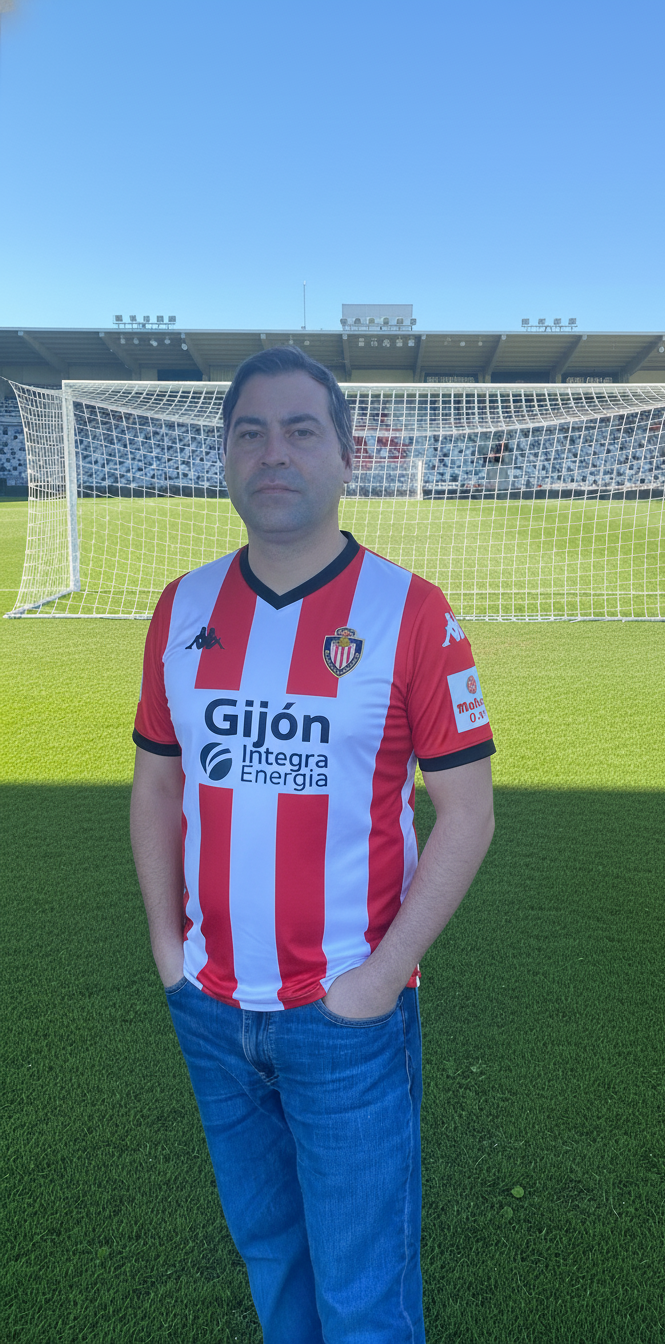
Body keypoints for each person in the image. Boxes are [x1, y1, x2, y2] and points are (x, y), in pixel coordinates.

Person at [130, 346, 496, 1344]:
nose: (273, 452)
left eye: (300, 430)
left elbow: (468, 812)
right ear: (225, 456)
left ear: (346, 456)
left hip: (346, 1015)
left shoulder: (412, 611)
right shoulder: (182, 607)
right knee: (274, 1261)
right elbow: (157, 780)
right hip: (211, 1008)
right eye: (249, 432)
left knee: (364, 1295)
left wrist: (377, 980)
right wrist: (169, 952)